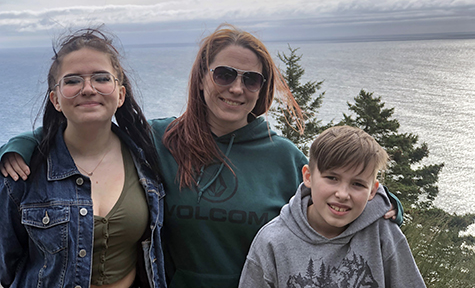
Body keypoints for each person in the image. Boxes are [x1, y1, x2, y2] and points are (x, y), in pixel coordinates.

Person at [0, 24, 402, 288]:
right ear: (203, 77)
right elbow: (89, 127)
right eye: (224, 74)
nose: (236, 88)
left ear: (262, 90)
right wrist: (21, 144)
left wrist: (381, 204)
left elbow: (333, 205)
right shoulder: (157, 139)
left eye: (251, 79)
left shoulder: (285, 158)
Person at [0, 29, 166, 288]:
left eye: (101, 78)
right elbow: (6, 267)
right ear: (55, 99)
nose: (88, 89)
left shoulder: (146, 155)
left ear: (120, 94)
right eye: (72, 81)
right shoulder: (21, 172)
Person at [238, 125, 425, 288]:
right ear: (308, 176)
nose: (343, 194)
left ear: (373, 191)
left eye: (358, 184)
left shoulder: (382, 233)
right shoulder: (272, 241)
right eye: (332, 178)